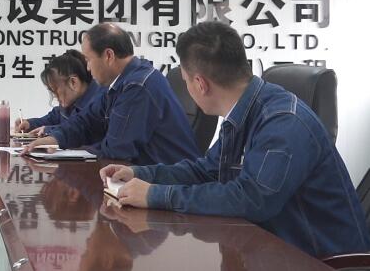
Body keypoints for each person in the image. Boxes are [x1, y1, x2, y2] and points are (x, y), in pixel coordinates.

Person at [100, 21, 370, 260]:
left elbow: (253, 199)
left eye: (185, 81)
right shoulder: (244, 112)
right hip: (274, 251)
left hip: (321, 260)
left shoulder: (283, 122)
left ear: (200, 84)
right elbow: (207, 170)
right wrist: (141, 174)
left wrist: (156, 195)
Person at [25, 24, 198, 164]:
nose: (87, 68)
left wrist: (71, 152)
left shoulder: (138, 87)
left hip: (169, 183)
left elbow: (117, 151)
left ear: (108, 55)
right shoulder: (119, 83)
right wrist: (56, 139)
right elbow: (87, 121)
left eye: (88, 60)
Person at [14, 49, 104, 136]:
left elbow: (82, 130)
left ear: (73, 82)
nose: (54, 96)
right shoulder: (70, 103)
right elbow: (53, 118)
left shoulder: (100, 101)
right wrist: (30, 124)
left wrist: (49, 131)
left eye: (55, 90)